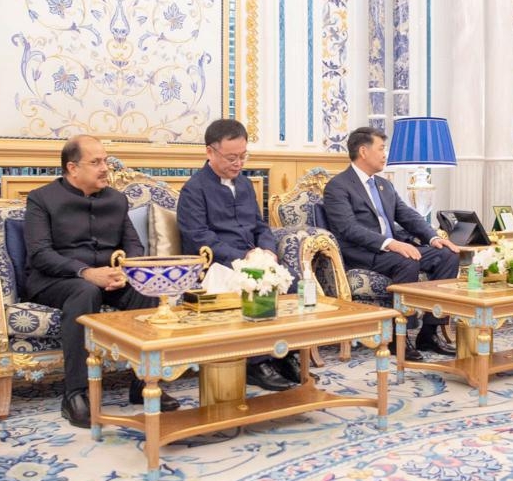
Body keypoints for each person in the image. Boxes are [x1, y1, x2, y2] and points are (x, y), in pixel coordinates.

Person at [25, 135, 179, 428]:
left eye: (105, 161)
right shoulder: (41, 199)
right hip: (57, 279)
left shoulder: (116, 199)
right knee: (85, 292)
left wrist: (125, 272)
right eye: (96, 162)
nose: (105, 168)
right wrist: (86, 272)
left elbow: (133, 245)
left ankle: (144, 383)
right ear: (72, 168)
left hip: (108, 277)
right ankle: (75, 394)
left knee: (147, 290)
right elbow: (40, 254)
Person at [177, 119, 299, 392]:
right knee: (253, 282)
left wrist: (268, 251)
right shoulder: (193, 190)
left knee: (292, 280)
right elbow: (200, 238)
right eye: (231, 158)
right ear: (210, 152)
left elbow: (260, 226)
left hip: (253, 257)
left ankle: (284, 354)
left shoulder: (244, 184)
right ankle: (256, 363)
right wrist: (245, 258)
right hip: (217, 264)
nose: (238, 163)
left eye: (243, 156)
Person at [322, 127, 460, 360]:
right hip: (363, 252)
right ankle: (399, 336)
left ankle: (429, 332)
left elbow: (408, 216)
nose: (385, 154)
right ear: (363, 151)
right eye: (381, 149)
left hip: (392, 249)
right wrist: (390, 243)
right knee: (407, 261)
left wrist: (434, 238)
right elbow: (348, 228)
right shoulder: (338, 186)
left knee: (447, 255)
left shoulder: (384, 185)